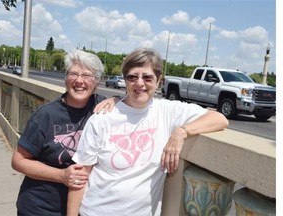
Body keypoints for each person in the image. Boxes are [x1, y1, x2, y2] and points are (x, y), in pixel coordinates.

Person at [67, 47, 229, 216]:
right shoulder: (102, 119)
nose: (139, 83)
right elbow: (80, 176)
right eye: (132, 77)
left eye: (147, 77)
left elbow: (220, 119)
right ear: (125, 80)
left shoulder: (167, 111)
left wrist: (181, 132)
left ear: (159, 81)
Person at [11, 49, 118, 216]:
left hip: (82, 208)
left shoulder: (102, 107)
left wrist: (116, 99)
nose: (79, 81)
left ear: (96, 82)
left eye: (87, 76)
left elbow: (135, 105)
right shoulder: (46, 115)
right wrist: (61, 175)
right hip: (40, 208)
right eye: (73, 74)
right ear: (66, 79)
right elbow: (18, 161)